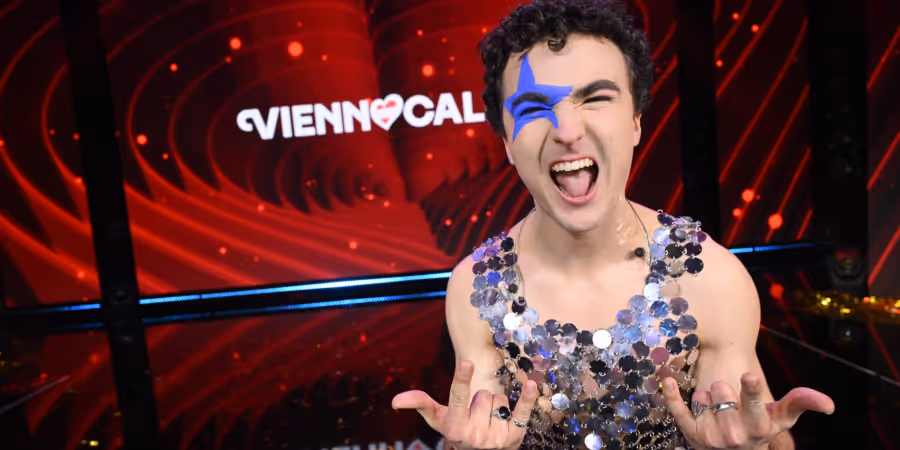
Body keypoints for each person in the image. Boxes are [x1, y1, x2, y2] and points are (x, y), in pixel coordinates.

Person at [392, 1, 835, 449]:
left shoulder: (710, 279)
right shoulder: (479, 287)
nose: (567, 130)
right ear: (507, 142)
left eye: (595, 98)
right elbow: (478, 429)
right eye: (533, 107)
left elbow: (752, 429)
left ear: (636, 122)